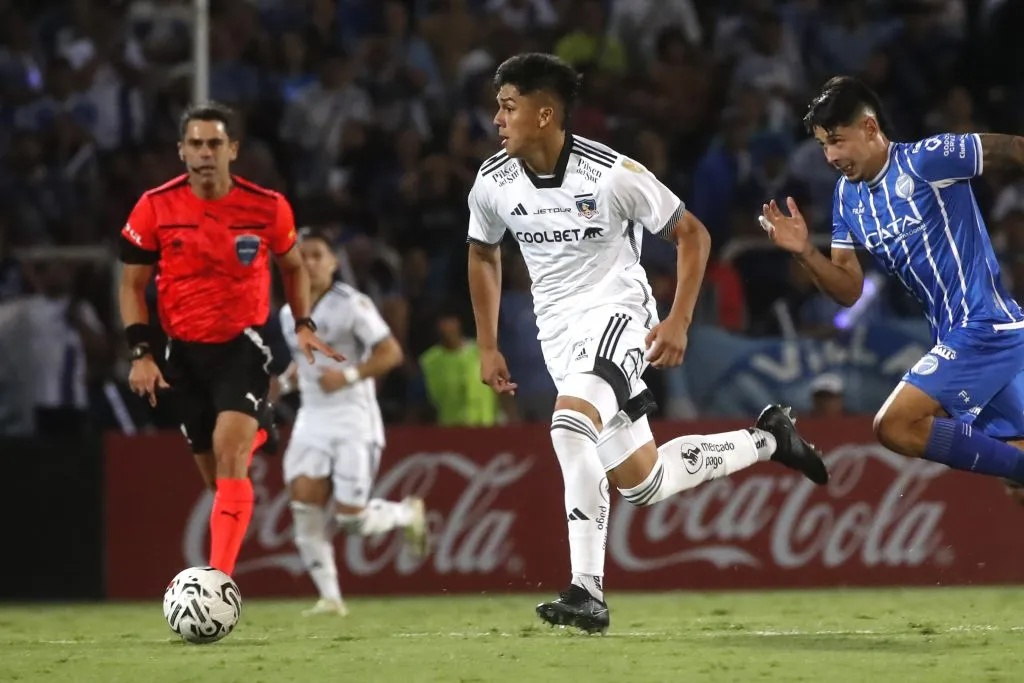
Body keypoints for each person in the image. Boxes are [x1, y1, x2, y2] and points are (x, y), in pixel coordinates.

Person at [466, 53, 828, 634]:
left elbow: (693, 234)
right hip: (558, 337)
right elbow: (483, 253)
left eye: (509, 106)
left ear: (545, 114)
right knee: (645, 483)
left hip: (618, 316)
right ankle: (769, 439)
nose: (497, 119)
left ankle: (587, 591)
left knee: (569, 427)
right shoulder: (493, 181)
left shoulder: (611, 174)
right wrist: (487, 344)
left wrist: (678, 320)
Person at [761, 75, 1024, 500]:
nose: (831, 156)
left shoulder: (926, 160)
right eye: (824, 145)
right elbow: (849, 289)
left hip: (985, 326)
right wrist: (805, 252)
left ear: (869, 128)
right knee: (1014, 468)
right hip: (957, 337)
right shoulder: (847, 198)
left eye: (837, 141)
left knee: (895, 425)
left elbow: (1014, 148)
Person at [118, 102, 340, 579]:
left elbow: (293, 266)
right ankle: (261, 427)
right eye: (196, 144)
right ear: (181, 151)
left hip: (242, 344)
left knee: (228, 451)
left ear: (232, 150)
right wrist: (141, 353)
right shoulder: (154, 207)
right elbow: (132, 285)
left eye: (215, 143)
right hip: (182, 352)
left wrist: (304, 323)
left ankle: (218, 582)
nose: (205, 153)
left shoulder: (267, 207)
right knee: (217, 480)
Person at [277, 229, 428, 617]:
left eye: (317, 255)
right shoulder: (288, 313)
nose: (309, 262)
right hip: (311, 419)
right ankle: (330, 599)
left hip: (353, 419)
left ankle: (405, 513)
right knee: (304, 506)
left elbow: (391, 353)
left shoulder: (353, 305)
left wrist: (347, 376)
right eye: (302, 256)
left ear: (333, 262)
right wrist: (282, 383)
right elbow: (303, 362)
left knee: (351, 520)